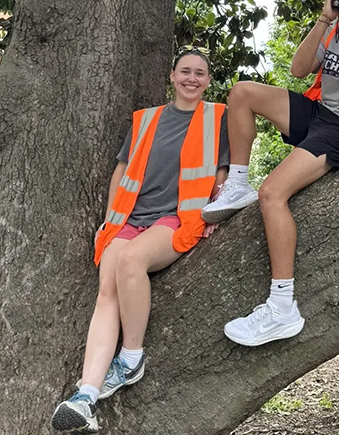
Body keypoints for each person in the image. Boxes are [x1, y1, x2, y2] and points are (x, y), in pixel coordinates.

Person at [201, 0, 339, 346]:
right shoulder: (332, 27)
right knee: (243, 91)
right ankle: (237, 184)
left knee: (273, 194)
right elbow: (297, 69)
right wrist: (326, 20)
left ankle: (282, 307)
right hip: (319, 113)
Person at [51, 48, 229, 433]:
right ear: (172, 75)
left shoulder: (218, 117)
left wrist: (218, 210)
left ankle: (131, 358)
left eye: (200, 73)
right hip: (129, 217)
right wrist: (111, 217)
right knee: (107, 290)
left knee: (131, 262)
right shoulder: (146, 120)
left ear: (208, 80)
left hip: (177, 217)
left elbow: (223, 173)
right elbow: (122, 170)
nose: (192, 79)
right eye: (185, 71)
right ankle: (86, 396)